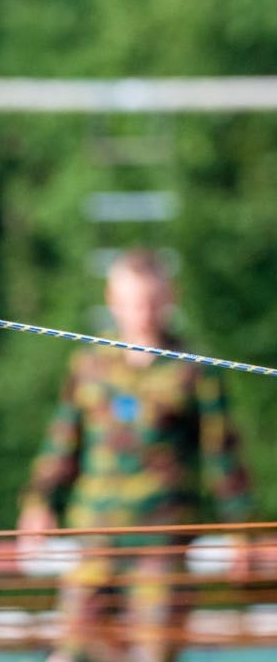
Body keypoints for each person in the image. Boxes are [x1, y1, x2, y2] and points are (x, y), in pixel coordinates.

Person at [17, 248, 253, 662]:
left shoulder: (193, 369)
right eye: (130, 302)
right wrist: (39, 503)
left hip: (160, 546)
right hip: (94, 539)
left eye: (150, 300)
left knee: (152, 653)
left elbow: (224, 457)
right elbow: (62, 443)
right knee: (71, 652)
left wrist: (241, 530)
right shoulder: (89, 363)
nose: (141, 312)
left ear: (169, 298)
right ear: (112, 300)